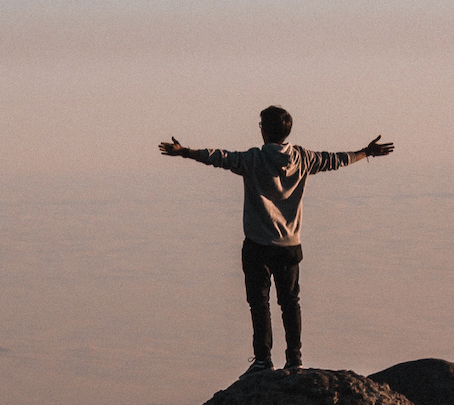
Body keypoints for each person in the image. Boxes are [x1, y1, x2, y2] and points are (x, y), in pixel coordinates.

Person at [158, 105, 394, 379]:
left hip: (258, 245)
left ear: (264, 130)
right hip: (290, 246)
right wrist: (366, 152)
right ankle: (294, 360)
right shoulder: (303, 158)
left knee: (260, 304)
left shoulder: (254, 159)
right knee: (290, 303)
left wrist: (184, 151)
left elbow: (219, 158)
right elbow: (336, 159)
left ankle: (263, 360)